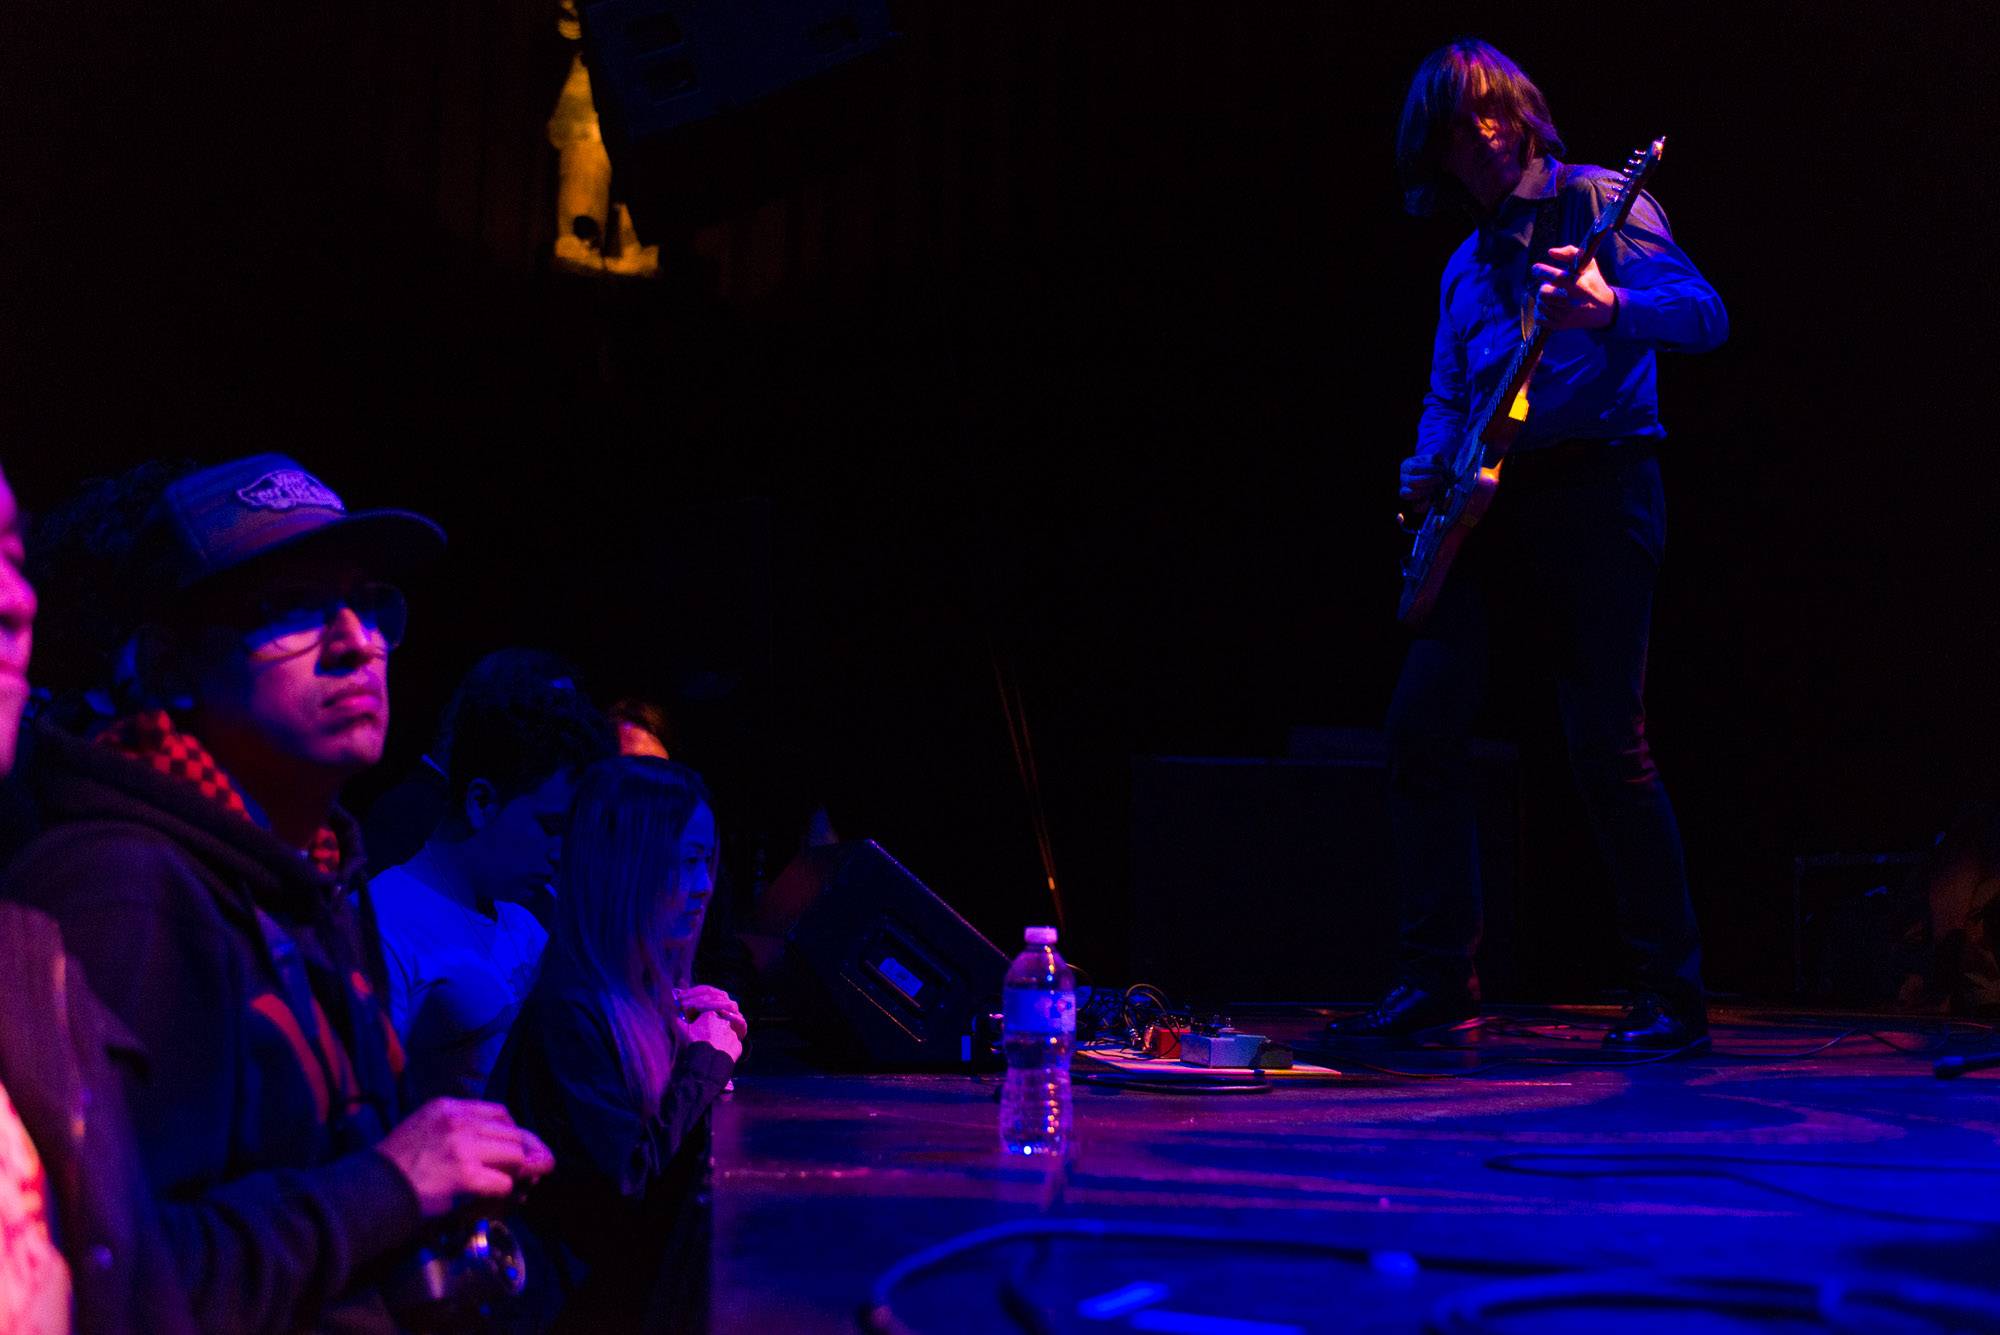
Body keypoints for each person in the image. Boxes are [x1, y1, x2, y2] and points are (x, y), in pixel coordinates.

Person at [0, 454, 555, 1330]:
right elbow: (124, 1281)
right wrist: (387, 1184)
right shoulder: (124, 892)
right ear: (170, 661)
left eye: (369, 605)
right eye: (289, 607)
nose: (357, 640)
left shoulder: (319, 871)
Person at [1327, 40, 1728, 1052]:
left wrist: (1610, 308)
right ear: (1437, 148)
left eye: (1498, 109)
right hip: (1485, 511)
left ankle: (1670, 995)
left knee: (1605, 743)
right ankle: (1435, 977)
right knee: (1420, 728)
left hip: (1598, 487)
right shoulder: (1463, 264)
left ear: (1525, 113)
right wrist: (1423, 468)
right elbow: (1446, 395)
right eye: (1463, 122)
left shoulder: (1598, 202)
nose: (1487, 132)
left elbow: (1703, 315)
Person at [491, 757, 745, 1331]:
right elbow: (628, 1187)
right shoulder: (569, 1011)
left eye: (707, 862)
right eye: (686, 863)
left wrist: (687, 1046)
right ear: (628, 869)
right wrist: (703, 1064)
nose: (704, 887)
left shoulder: (636, 999)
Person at [368, 648, 616, 1103]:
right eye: (551, 826)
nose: (563, 853)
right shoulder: (382, 922)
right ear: (481, 802)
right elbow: (367, 1117)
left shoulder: (522, 923)